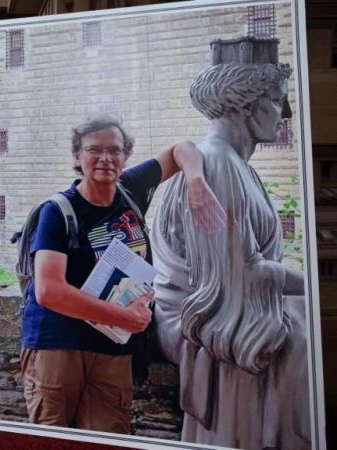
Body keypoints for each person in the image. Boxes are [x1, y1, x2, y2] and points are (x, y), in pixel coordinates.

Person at [150, 43, 311, 449]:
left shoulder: (229, 163)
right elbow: (240, 274)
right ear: (243, 105)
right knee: (305, 335)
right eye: (276, 100)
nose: (286, 113)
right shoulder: (218, 165)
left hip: (233, 304)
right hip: (207, 319)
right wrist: (311, 283)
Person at [20, 115, 224, 433]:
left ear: (126, 155)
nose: (105, 158)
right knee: (54, 438)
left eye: (115, 150)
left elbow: (183, 149)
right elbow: (49, 291)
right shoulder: (58, 212)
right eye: (94, 150)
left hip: (113, 346)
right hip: (58, 345)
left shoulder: (131, 189)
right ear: (77, 156)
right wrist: (122, 316)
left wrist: (195, 180)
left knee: (109, 437)